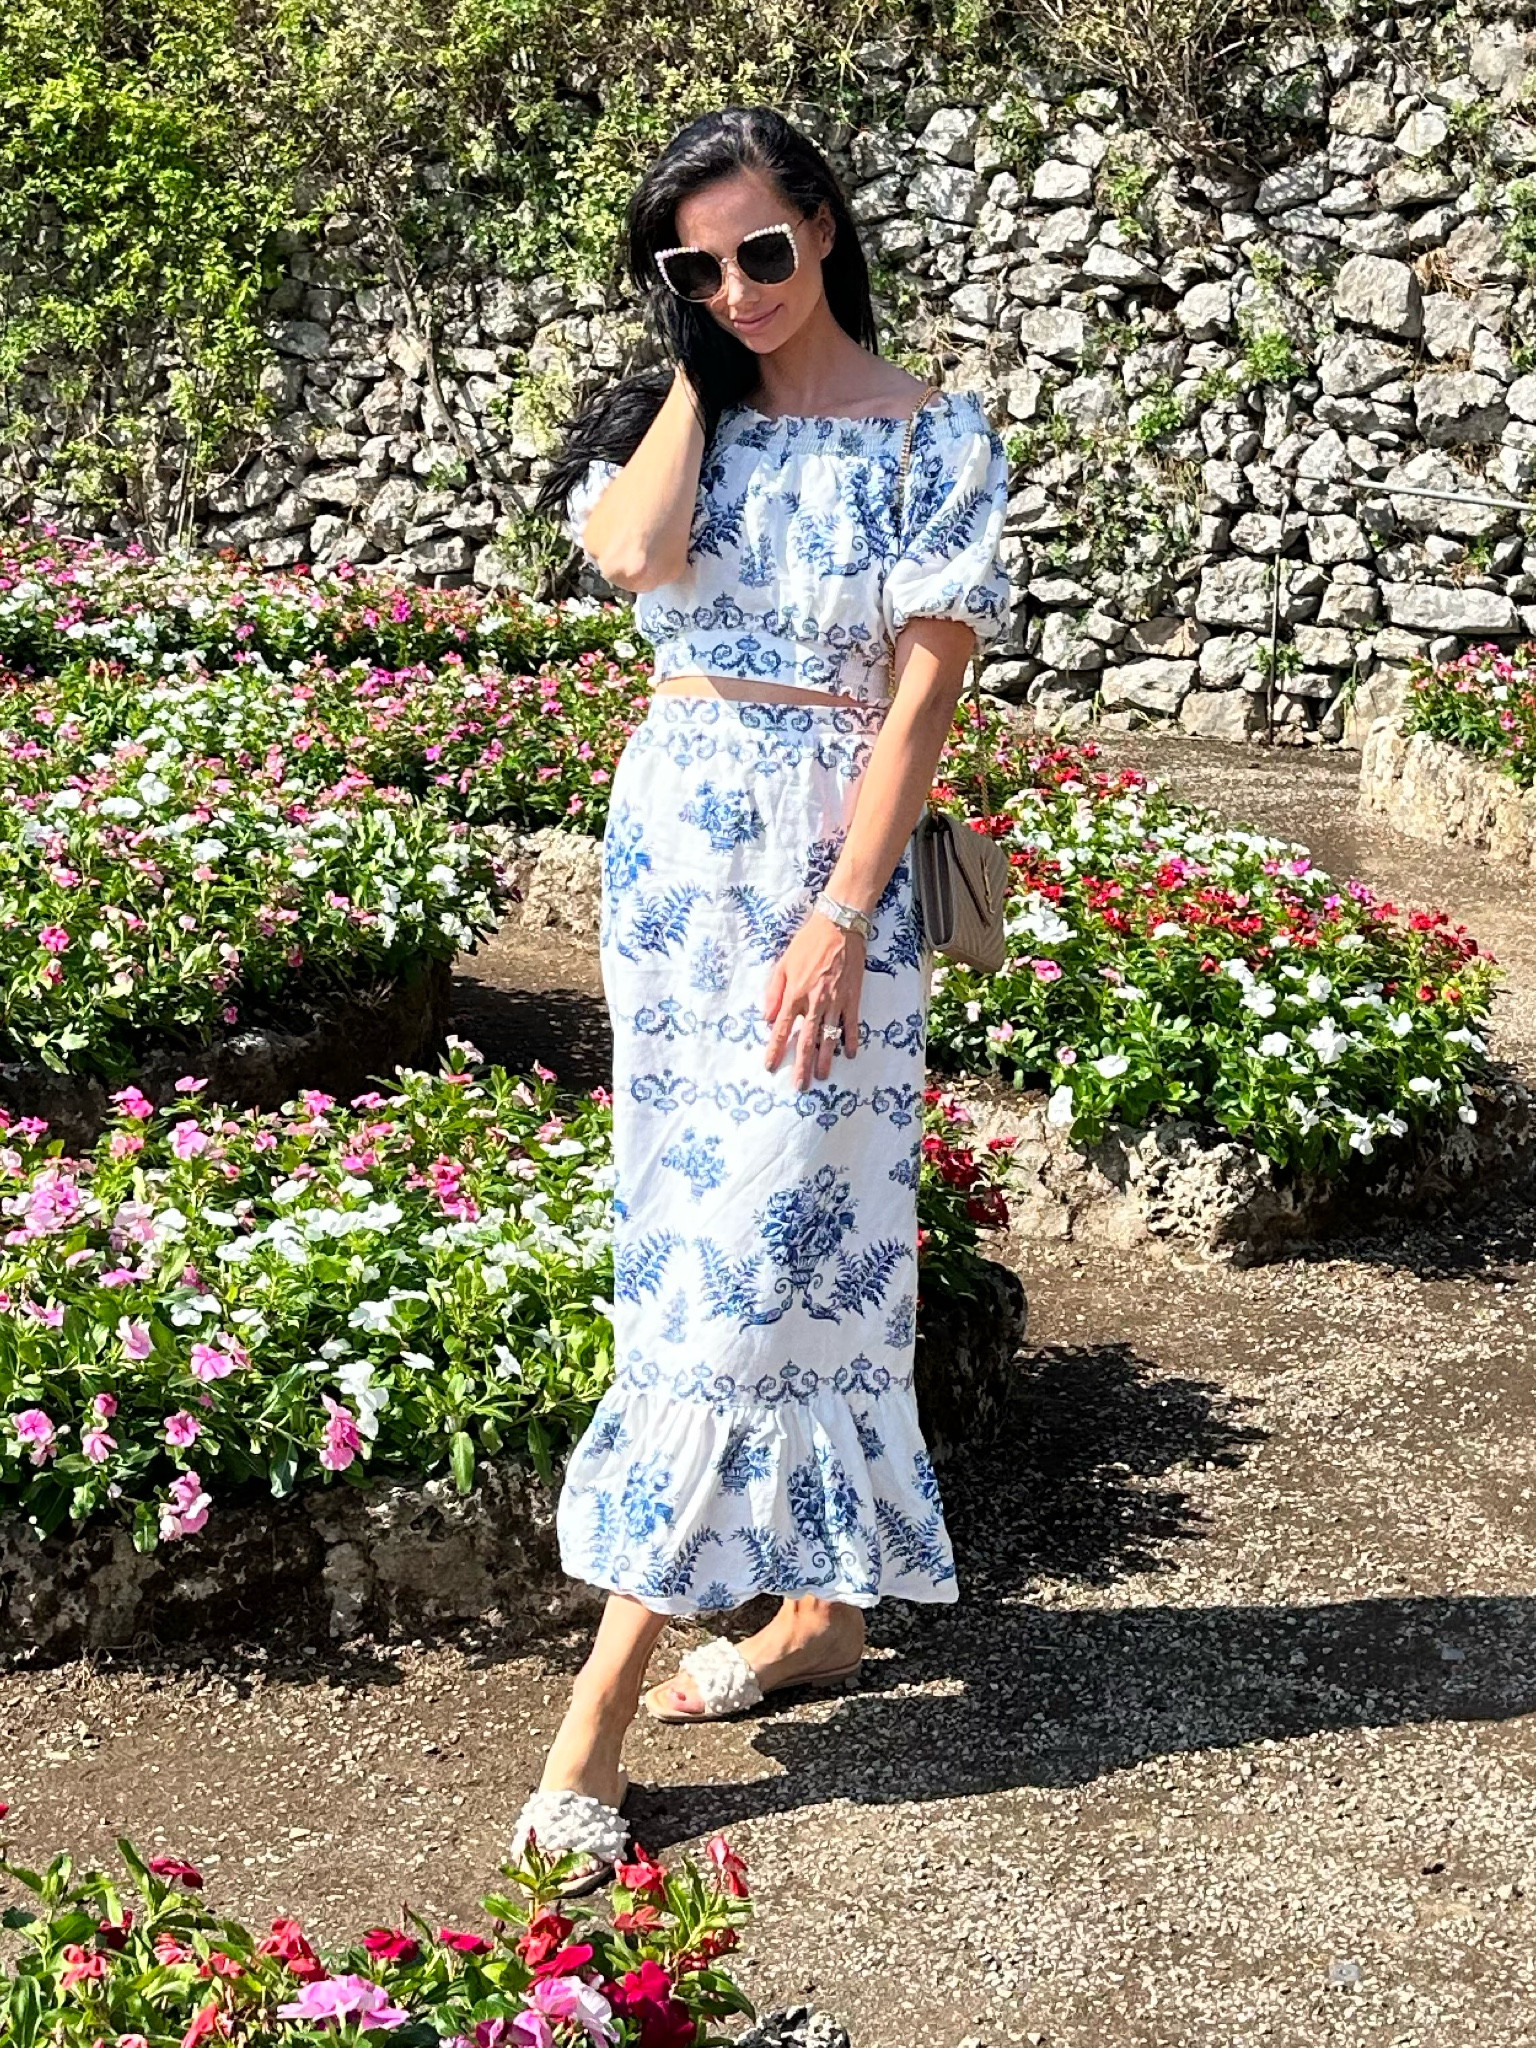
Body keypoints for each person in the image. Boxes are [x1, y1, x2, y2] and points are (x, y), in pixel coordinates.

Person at [514, 103, 1011, 1887]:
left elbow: (921, 705)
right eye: (696, 267)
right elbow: (630, 560)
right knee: (694, 1243)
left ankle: (594, 1715)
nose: (737, 287)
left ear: (828, 227)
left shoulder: (937, 438)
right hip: (674, 875)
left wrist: (843, 916)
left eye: (765, 253)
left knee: (764, 1255)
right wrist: (695, 373)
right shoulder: (688, 419)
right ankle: (820, 1619)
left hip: (826, 878)